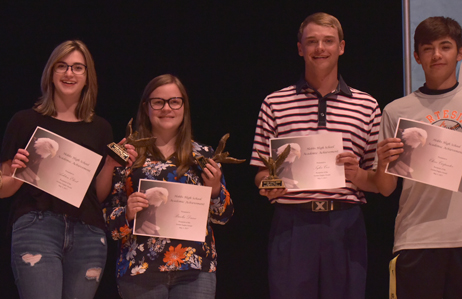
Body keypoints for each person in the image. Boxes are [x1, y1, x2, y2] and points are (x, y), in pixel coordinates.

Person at [250, 12, 381, 299]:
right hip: (292, 224)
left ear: (341, 47)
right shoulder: (275, 103)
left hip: (345, 223)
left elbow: (378, 182)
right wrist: (271, 185)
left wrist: (357, 174)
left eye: (328, 41)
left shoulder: (367, 105)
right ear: (300, 49)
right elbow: (261, 173)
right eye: (312, 41)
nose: (320, 48)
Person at [374, 16, 462, 299]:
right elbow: (385, 188)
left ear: (460, 52)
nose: (437, 55)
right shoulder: (396, 111)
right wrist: (382, 161)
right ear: (417, 56)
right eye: (428, 48)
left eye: (445, 46)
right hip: (416, 239)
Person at [0, 40, 136, 298]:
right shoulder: (24, 121)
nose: (69, 73)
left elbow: (99, 194)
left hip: (89, 233)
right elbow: (3, 189)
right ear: (51, 73)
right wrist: (18, 175)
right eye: (62, 66)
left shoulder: (101, 128)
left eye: (77, 68)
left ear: (88, 78)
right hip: (37, 227)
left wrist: (110, 164)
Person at [104, 74, 233, 299]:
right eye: (158, 102)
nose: (167, 108)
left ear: (184, 106)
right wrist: (128, 213)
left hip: (195, 270)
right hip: (140, 269)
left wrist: (214, 190)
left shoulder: (203, 155)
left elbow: (224, 216)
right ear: (146, 107)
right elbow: (109, 219)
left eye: (175, 101)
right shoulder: (129, 155)